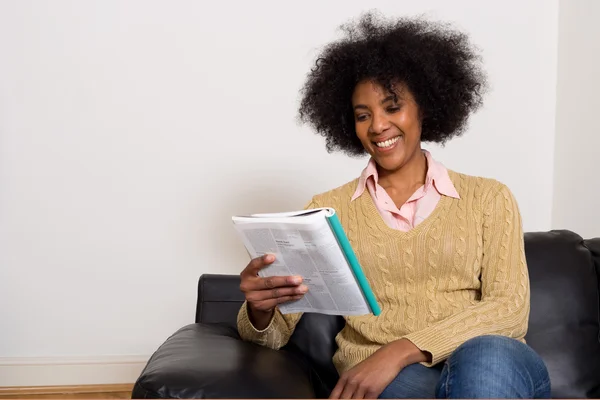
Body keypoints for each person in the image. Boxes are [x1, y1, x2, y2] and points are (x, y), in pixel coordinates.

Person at [236, 12, 551, 399]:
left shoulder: (489, 198)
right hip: (393, 380)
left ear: (426, 107)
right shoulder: (328, 209)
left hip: (492, 365)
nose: (378, 126)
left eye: (392, 107)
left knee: (486, 355)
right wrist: (259, 309)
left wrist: (400, 350)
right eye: (362, 115)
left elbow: (509, 309)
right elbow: (273, 336)